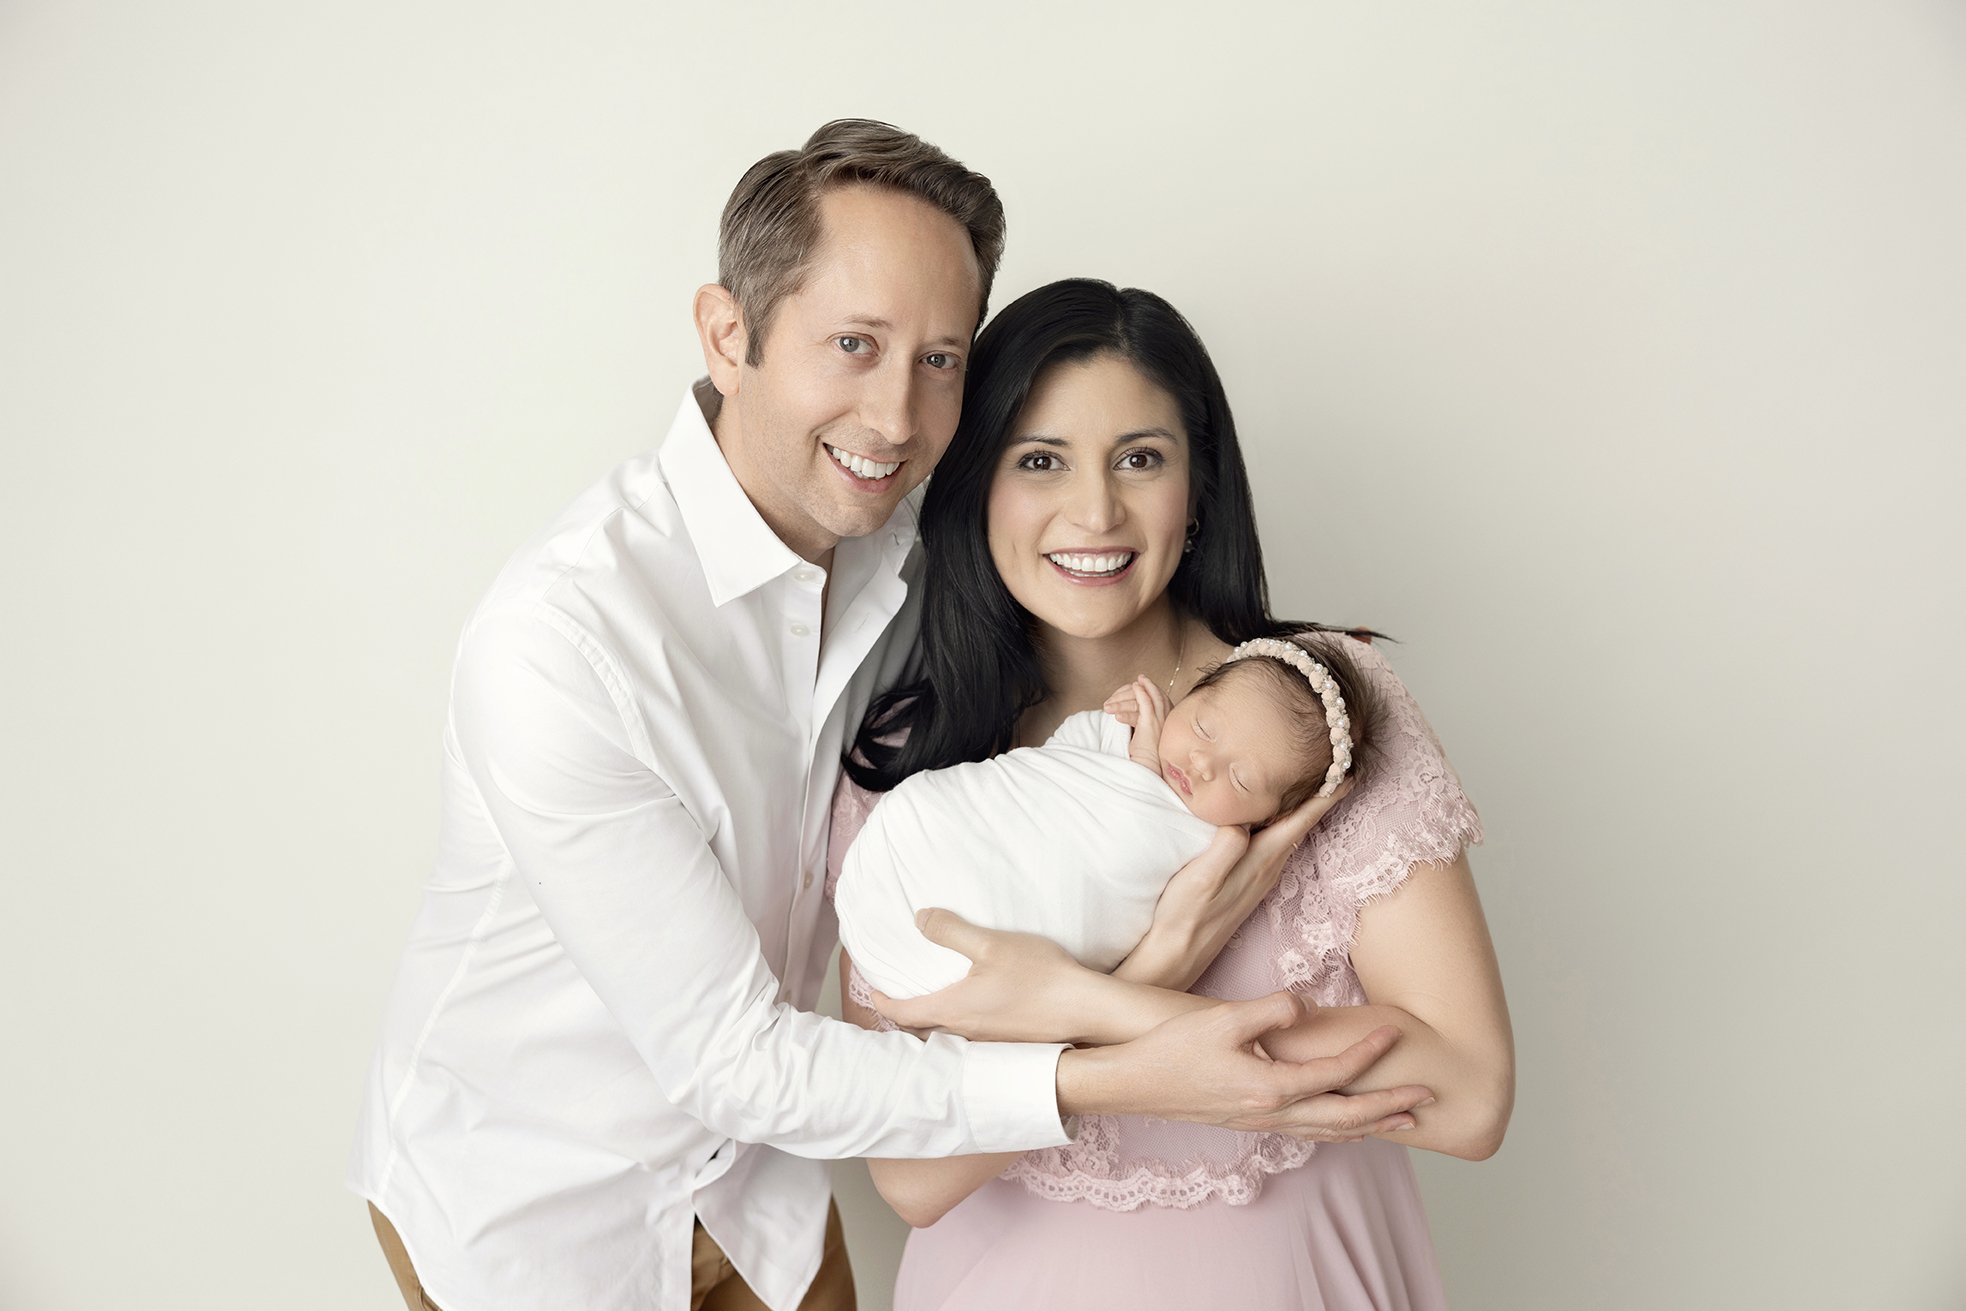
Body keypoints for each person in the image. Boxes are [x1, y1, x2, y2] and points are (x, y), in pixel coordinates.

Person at [347, 125, 1434, 1311]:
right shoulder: (564, 646)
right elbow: (736, 1062)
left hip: (759, 1195)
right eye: (853, 345)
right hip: (537, 1210)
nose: (897, 416)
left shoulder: (912, 550)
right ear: (727, 334)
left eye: (938, 359)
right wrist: (1119, 1058)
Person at [830, 278, 1514, 1309]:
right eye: (1040, 460)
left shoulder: (1321, 711)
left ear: (1197, 491)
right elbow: (912, 1177)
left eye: (1140, 458)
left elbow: (1469, 1096)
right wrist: (1162, 969)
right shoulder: (906, 759)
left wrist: (1073, 1011)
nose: (1095, 511)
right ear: (976, 488)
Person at [835, 633, 1374, 999]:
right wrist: (1117, 735)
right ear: (1188, 694)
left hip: (996, 952)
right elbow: (1049, 773)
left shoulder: (1213, 848)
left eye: (1242, 780)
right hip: (914, 848)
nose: (1202, 763)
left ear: (1271, 819)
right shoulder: (1123, 735)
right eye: (1203, 728)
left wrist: (1142, 772)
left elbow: (1132, 853)